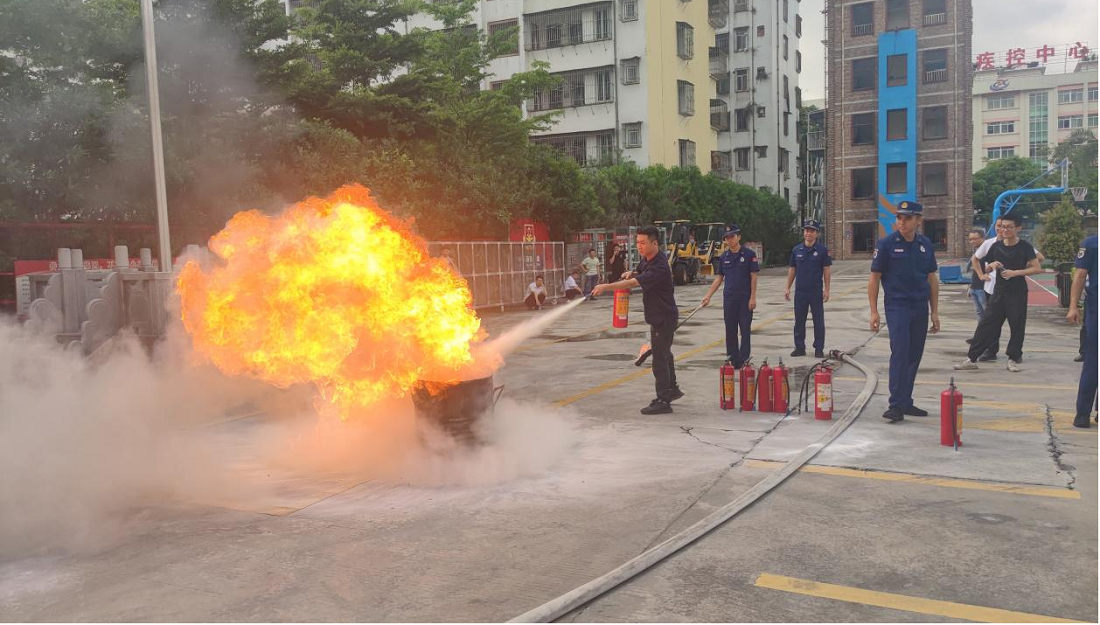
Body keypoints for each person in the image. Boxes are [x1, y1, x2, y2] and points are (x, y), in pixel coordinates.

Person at [592, 226, 684, 414]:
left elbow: (635, 283)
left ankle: (663, 400)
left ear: (655, 243)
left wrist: (607, 286)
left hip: (663, 317)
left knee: (659, 359)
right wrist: (631, 272)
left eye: (643, 243)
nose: (639, 246)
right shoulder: (648, 259)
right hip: (659, 316)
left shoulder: (659, 265)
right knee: (665, 353)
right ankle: (672, 389)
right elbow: (637, 273)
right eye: (638, 243)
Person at [868, 201, 940, 423]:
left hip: (919, 306)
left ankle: (906, 401)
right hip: (897, 306)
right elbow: (874, 278)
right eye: (899, 217)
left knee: (914, 354)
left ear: (919, 220)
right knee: (900, 352)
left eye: (907, 218)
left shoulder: (925, 244)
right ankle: (896, 405)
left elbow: (931, 278)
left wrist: (934, 311)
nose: (902, 222)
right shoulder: (887, 244)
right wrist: (873, 311)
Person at [955, 212, 1040, 373]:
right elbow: (985, 265)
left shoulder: (1025, 246)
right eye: (1002, 227)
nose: (1005, 230)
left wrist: (1015, 273)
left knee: (1017, 325)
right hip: (998, 291)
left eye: (1009, 227)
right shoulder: (995, 246)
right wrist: (989, 267)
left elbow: (1037, 268)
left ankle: (1013, 358)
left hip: (1017, 292)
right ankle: (971, 358)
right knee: (987, 324)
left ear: (1018, 228)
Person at [700, 224, 759, 367]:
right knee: (730, 330)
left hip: (745, 299)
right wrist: (708, 295)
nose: (729, 240)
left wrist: (753, 297)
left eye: (732, 236)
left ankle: (744, 359)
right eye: (727, 238)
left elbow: (754, 277)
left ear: (739, 237)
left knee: (745, 329)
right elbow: (719, 278)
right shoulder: (724, 257)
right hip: (729, 299)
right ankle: (733, 359)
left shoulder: (749, 255)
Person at [785, 219, 832, 358]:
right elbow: (792, 269)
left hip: (815, 291)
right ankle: (799, 347)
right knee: (799, 320)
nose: (808, 233)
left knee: (818, 320)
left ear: (816, 233)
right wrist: (787, 287)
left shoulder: (822, 251)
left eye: (811, 231)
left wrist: (827, 289)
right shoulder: (796, 250)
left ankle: (818, 348)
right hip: (800, 291)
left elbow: (826, 270)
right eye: (806, 231)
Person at [1068, 235, 1097, 428]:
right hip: (1096, 308)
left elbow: (1079, 275)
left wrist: (1073, 307)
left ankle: (1083, 414)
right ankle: (1083, 412)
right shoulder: (1092, 244)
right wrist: (1073, 306)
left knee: (1093, 361)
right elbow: (1080, 275)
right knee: (1093, 361)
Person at [967, 227, 999, 362]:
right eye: (970, 239)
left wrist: (983, 277)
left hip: (984, 289)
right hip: (975, 288)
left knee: (989, 321)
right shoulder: (977, 252)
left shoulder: (988, 251)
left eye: (974, 238)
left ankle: (991, 349)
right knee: (981, 319)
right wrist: (970, 286)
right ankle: (980, 341)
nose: (971, 241)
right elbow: (975, 270)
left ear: (982, 238)